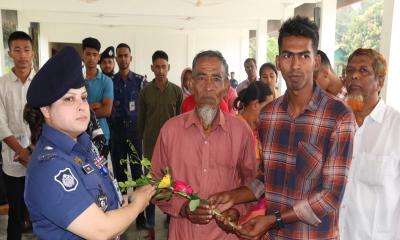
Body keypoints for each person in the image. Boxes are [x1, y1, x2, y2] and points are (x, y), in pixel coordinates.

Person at [210, 16, 355, 240]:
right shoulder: (268, 116)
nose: (295, 65)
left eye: (304, 56)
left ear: (316, 62)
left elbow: (331, 195)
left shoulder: (338, 116)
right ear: (278, 61)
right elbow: (267, 177)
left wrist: (273, 219)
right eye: (288, 55)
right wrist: (234, 197)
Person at [23, 46, 155, 239]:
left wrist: (128, 200)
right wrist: (137, 206)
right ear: (46, 110)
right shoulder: (49, 167)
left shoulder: (84, 144)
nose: (82, 107)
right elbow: (101, 230)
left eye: (83, 97)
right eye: (69, 99)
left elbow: (100, 200)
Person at [151, 50, 256, 240]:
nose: (208, 87)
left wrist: (237, 210)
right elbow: (154, 183)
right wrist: (182, 208)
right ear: (190, 84)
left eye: (216, 79)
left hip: (226, 235)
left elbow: (253, 183)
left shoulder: (241, 131)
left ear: (226, 87)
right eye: (201, 78)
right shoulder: (170, 130)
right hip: (183, 234)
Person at [338, 48, 400, 240]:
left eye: (363, 70)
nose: (354, 76)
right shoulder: (337, 124)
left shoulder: (395, 128)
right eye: (349, 71)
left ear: (380, 82)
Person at [137, 50, 183, 238]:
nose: (161, 70)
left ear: (169, 67)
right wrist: (143, 142)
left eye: (164, 66)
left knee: (170, 183)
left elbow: (180, 120)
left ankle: (171, 219)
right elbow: (141, 121)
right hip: (150, 146)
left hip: (172, 147)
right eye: (157, 67)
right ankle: (150, 225)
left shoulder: (176, 91)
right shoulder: (145, 91)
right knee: (150, 184)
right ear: (152, 68)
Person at [0, 31, 35, 240]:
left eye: (27, 50)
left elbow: (49, 118)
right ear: (9, 52)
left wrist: (31, 150)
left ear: (33, 53)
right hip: (12, 159)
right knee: (15, 213)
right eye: (17, 50)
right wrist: (21, 151)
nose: (22, 55)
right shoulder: (2, 84)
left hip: (39, 156)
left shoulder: (41, 82)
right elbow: (1, 124)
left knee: (41, 210)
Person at [110, 43, 148, 231]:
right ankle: (122, 216)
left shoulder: (140, 81)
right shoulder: (110, 81)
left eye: (126, 55)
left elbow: (146, 107)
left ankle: (140, 216)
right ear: (116, 59)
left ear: (130, 58)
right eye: (120, 56)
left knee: (137, 174)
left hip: (134, 132)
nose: (123, 59)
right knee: (119, 174)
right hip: (116, 133)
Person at [82, 37, 113, 158]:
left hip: (101, 135)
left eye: (95, 54)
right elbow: (71, 109)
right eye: (88, 54)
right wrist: (96, 105)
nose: (91, 58)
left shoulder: (107, 81)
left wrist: (83, 110)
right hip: (79, 135)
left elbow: (107, 111)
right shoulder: (75, 79)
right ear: (82, 55)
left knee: (100, 174)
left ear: (99, 57)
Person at [233, 81, 273, 175]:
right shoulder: (236, 128)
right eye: (268, 107)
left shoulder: (256, 129)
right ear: (255, 105)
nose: (271, 112)